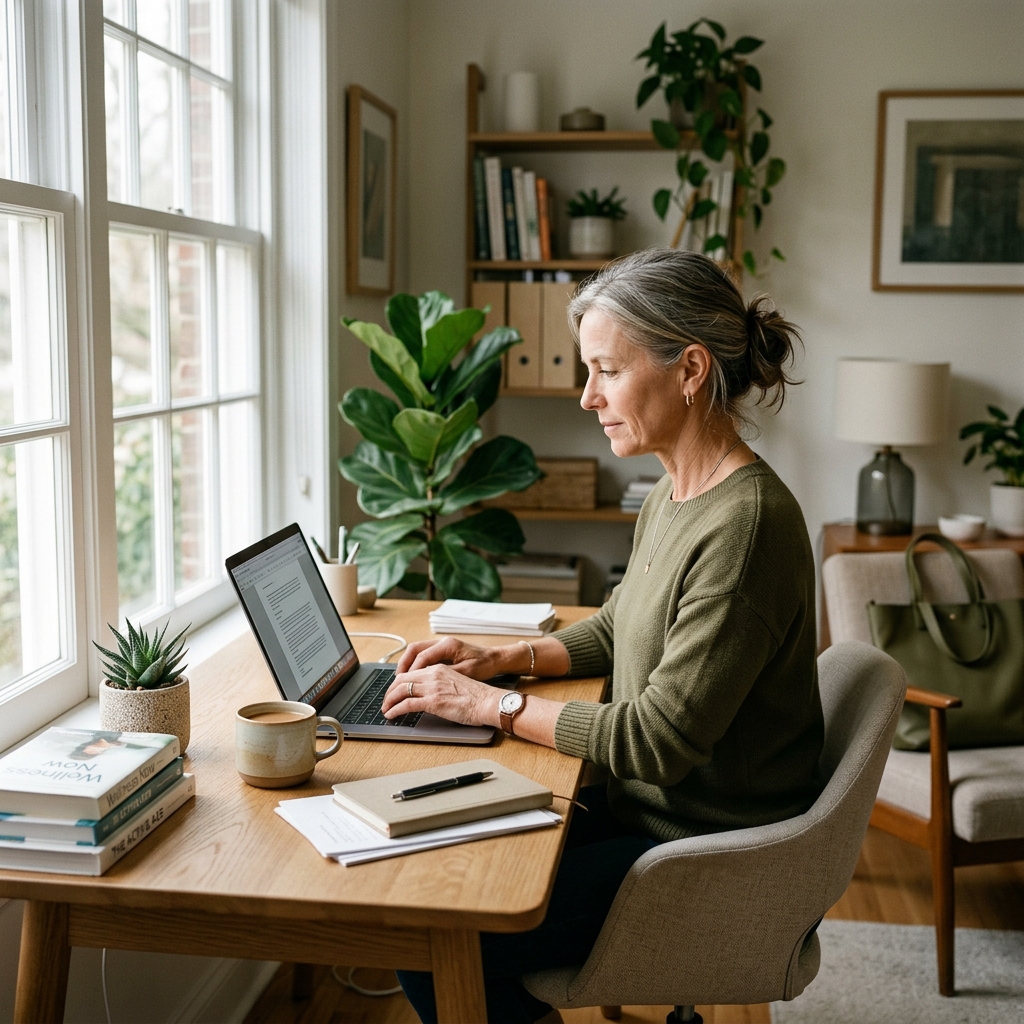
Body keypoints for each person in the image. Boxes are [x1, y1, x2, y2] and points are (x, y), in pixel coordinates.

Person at [382, 248, 824, 1024]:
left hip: (707, 854)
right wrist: (503, 661)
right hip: (653, 816)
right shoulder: (676, 489)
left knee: (435, 940)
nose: (587, 396)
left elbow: (659, 740)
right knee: (443, 872)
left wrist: (492, 707)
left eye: (606, 371)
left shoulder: (746, 525)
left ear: (689, 370)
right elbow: (622, 623)